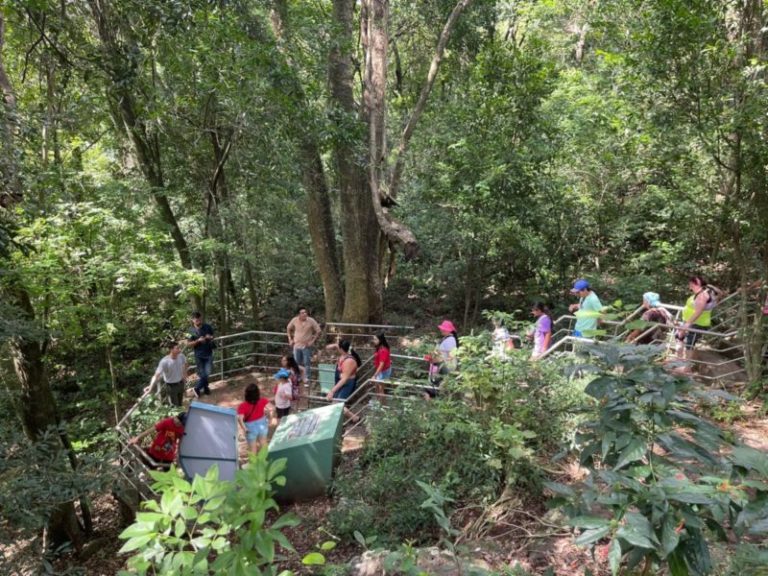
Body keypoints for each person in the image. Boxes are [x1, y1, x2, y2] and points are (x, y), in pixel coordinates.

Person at [675, 275, 717, 364]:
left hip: (697, 323)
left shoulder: (702, 295)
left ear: (695, 284)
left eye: (691, 283)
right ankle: (679, 360)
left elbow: (698, 311)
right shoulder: (699, 294)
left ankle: (686, 367)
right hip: (689, 322)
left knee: (689, 344)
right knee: (679, 337)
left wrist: (687, 324)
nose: (689, 284)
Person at [326, 340, 361, 421]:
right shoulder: (344, 351)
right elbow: (333, 346)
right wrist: (332, 346)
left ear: (341, 349)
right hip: (341, 381)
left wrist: (332, 391)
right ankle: (352, 418)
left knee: (338, 404)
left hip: (347, 384)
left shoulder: (349, 361)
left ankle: (354, 418)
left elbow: (344, 379)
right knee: (335, 403)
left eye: (338, 347)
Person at [237, 383, 276, 454]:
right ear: (257, 393)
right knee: (263, 443)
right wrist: (270, 419)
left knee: (252, 448)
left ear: (247, 394)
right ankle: (265, 461)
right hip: (262, 424)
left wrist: (244, 428)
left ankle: (254, 464)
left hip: (250, 427)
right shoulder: (263, 401)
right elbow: (272, 408)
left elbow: (240, 419)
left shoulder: (242, 406)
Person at [146, 341, 188, 406]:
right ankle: (178, 416)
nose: (179, 350)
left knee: (180, 403)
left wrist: (184, 376)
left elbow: (185, 364)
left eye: (179, 348)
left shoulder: (181, 356)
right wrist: (150, 387)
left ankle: (181, 416)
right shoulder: (164, 361)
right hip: (171, 386)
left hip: (181, 383)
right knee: (175, 406)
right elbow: (156, 375)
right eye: (177, 348)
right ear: (171, 349)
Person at [425, 320, 460, 399]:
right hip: (439, 365)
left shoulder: (450, 340)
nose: (441, 330)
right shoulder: (446, 338)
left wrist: (436, 358)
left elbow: (451, 356)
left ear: (448, 331)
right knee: (433, 387)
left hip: (443, 367)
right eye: (442, 329)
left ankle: (431, 403)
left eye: (443, 329)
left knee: (433, 387)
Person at [286, 307, 321, 384]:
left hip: (306, 346)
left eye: (305, 312)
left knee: (306, 363)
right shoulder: (294, 320)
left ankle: (307, 379)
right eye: (302, 313)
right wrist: (290, 339)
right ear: (299, 315)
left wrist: (312, 341)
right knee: (296, 363)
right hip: (296, 345)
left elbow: (318, 331)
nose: (305, 314)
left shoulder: (311, 320)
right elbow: (288, 328)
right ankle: (297, 378)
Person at [188, 311, 215, 397]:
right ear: (192, 320)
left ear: (201, 318)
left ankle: (197, 388)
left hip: (208, 353)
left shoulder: (207, 327)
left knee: (207, 372)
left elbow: (213, 336)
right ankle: (205, 387)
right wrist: (198, 341)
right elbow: (189, 344)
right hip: (198, 355)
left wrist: (209, 337)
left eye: (199, 319)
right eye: (196, 320)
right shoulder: (191, 331)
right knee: (203, 373)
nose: (198, 321)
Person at [371, 333, 392, 400]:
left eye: (375, 339)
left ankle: (382, 405)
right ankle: (378, 402)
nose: (373, 341)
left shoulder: (383, 350)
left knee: (381, 389)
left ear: (380, 340)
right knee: (377, 387)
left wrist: (374, 375)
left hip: (383, 371)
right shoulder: (380, 348)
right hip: (382, 370)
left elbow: (381, 365)